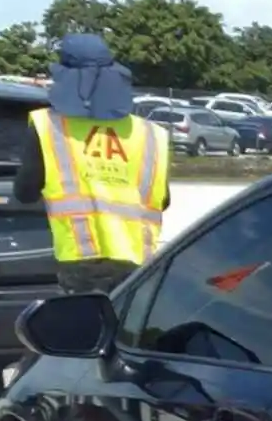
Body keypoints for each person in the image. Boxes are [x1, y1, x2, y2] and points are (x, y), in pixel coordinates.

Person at [14, 34, 171, 294]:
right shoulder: (151, 133)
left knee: (83, 331)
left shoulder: (49, 126)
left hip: (81, 260)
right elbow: (162, 199)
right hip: (137, 262)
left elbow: (25, 191)